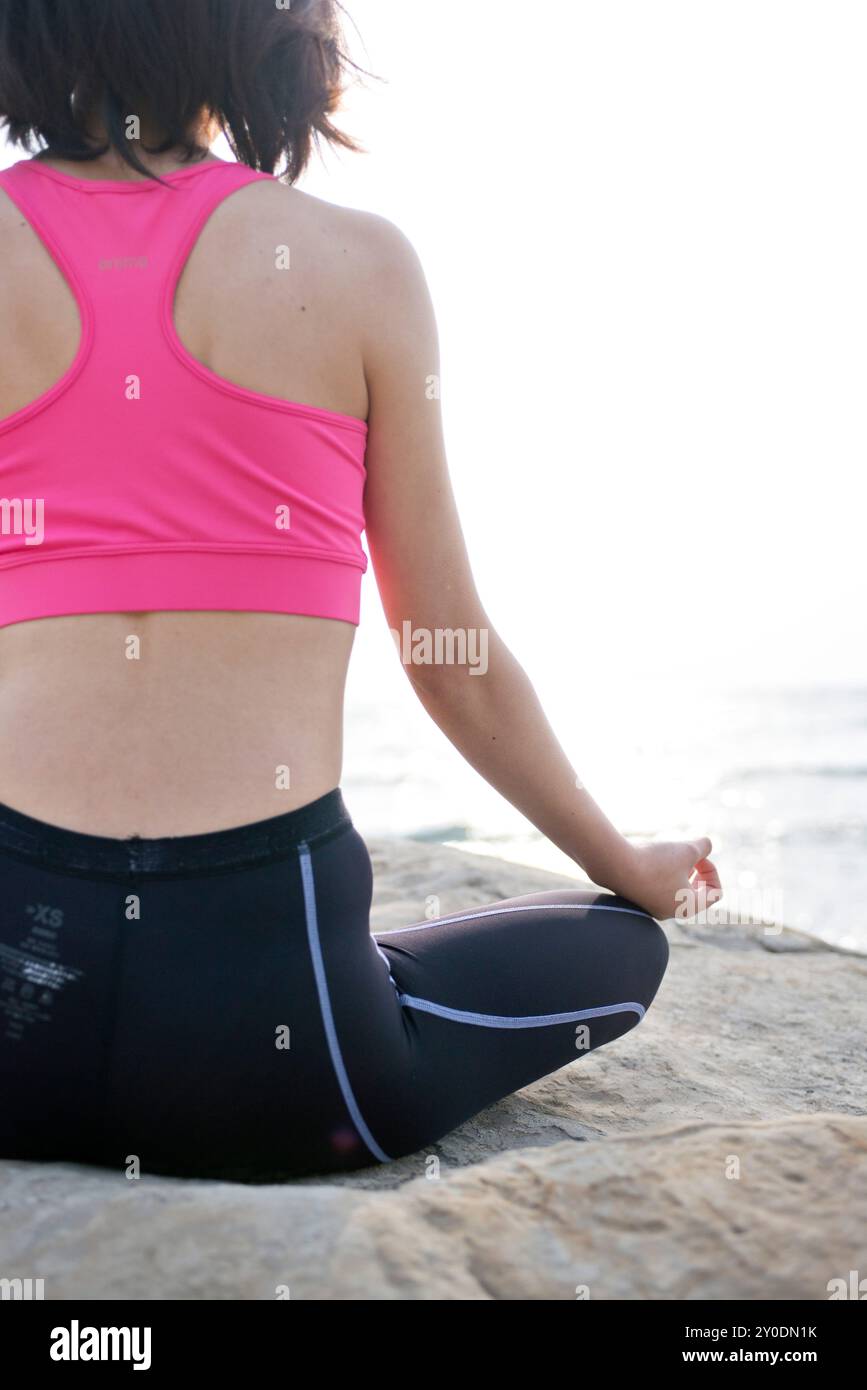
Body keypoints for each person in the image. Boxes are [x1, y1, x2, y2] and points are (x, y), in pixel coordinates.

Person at [0, 0, 720, 1179]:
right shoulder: (355, 264)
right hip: (275, 1065)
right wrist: (622, 862)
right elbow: (445, 649)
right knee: (617, 950)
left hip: (14, 1025)